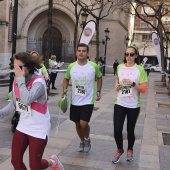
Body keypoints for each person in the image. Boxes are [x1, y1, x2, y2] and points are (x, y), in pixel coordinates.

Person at [0, 52, 64, 170]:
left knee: (35, 166)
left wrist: (20, 79)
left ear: (28, 67)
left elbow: (27, 100)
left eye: (19, 67)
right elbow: (14, 104)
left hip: (38, 128)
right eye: (14, 67)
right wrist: (1, 113)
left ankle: (52, 161)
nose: (16, 70)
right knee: (16, 161)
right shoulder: (17, 81)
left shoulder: (38, 82)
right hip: (23, 126)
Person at [62, 43, 102, 153]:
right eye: (79, 50)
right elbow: (66, 79)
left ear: (87, 53)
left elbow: (99, 77)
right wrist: (64, 91)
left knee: (83, 123)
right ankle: (82, 141)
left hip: (88, 100)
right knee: (77, 124)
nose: (81, 52)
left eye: (84, 51)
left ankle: (87, 138)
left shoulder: (93, 66)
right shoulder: (71, 66)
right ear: (76, 53)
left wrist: (98, 90)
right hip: (75, 101)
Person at [112, 45, 147, 164]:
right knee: (117, 129)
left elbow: (143, 89)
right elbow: (117, 82)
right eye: (127, 54)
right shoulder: (120, 67)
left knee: (130, 130)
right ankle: (120, 149)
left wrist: (132, 83)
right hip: (120, 103)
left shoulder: (140, 70)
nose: (129, 57)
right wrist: (117, 86)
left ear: (136, 56)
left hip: (133, 105)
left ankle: (130, 149)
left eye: (131, 54)